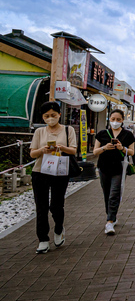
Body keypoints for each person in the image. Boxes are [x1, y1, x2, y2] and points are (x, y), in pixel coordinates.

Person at [28, 101, 77, 254]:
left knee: (56, 205)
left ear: (59, 115)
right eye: (47, 116)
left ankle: (58, 228)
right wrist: (42, 150)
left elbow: (73, 151)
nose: (50, 118)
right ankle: (43, 239)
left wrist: (61, 148)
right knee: (41, 206)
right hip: (40, 171)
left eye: (53, 115)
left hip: (59, 171)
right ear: (43, 117)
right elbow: (32, 153)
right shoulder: (39, 132)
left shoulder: (68, 130)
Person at [93, 109, 135, 235]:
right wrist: (104, 148)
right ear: (109, 119)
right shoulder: (102, 134)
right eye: (113, 119)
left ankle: (109, 221)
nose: (115, 122)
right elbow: (95, 151)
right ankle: (112, 216)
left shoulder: (128, 135)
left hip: (119, 168)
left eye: (118, 120)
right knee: (106, 193)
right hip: (104, 167)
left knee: (114, 194)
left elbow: (132, 152)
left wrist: (122, 148)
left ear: (122, 120)